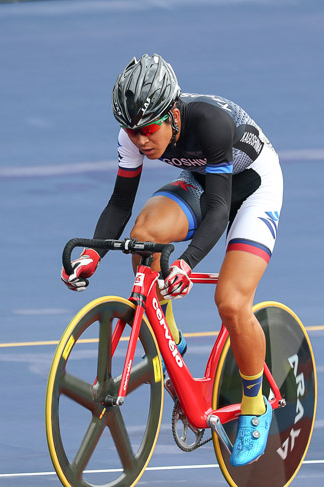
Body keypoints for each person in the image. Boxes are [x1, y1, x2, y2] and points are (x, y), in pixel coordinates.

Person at [61, 53, 283, 465]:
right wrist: (93, 255)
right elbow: (119, 202)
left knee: (232, 303)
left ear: (172, 116)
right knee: (145, 235)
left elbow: (219, 209)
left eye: (148, 129)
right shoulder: (133, 136)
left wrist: (187, 262)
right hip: (204, 180)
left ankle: (256, 405)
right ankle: (170, 336)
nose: (141, 141)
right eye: (132, 131)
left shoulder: (209, 122)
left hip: (254, 190)